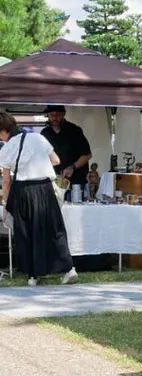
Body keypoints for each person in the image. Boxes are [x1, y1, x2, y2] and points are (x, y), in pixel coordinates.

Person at [0, 112, 78, 286]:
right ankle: (69, 269)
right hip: (45, 188)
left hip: (23, 191)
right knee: (55, 229)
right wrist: (38, 162)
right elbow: (56, 160)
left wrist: (5, 203)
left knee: (26, 232)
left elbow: (6, 182)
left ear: (4, 131)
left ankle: (32, 276)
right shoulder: (38, 137)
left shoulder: (7, 148)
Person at [40, 105, 92, 187]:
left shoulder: (74, 130)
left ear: (63, 114)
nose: (54, 118)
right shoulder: (45, 133)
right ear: (48, 115)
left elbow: (87, 155)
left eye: (58, 115)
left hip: (76, 182)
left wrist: (72, 167)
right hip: (55, 181)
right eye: (52, 115)